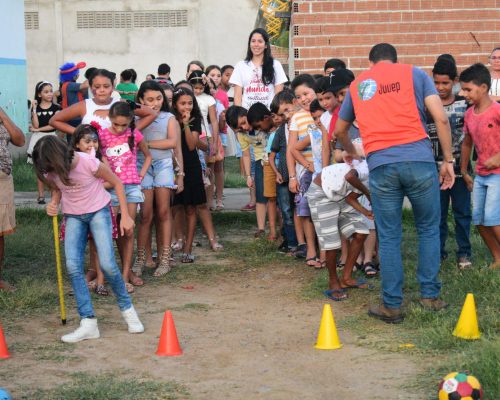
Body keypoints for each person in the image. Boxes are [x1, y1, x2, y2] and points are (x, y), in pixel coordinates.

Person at [335, 43, 455, 323]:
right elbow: (440, 118)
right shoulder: (414, 74)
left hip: (381, 165)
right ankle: (430, 297)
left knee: (389, 236)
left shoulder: (359, 85)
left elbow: (340, 130)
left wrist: (350, 151)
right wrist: (447, 160)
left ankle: (392, 305)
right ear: (394, 60)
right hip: (420, 161)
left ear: (371, 63)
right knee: (427, 229)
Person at [32, 136, 144, 342]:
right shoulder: (50, 170)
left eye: (51, 168)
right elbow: (57, 188)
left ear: (59, 158)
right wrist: (54, 203)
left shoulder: (88, 162)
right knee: (73, 266)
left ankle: (128, 311)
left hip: (98, 211)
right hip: (73, 215)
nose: (50, 173)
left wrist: (126, 216)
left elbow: (117, 182)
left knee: (108, 265)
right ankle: (88, 322)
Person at [96, 102, 153, 293]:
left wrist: (141, 175)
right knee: (108, 232)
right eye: (116, 125)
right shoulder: (102, 135)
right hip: (110, 188)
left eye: (124, 125)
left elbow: (147, 156)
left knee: (128, 232)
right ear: (109, 119)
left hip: (131, 189)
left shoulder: (134, 134)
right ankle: (103, 276)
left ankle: (124, 276)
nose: (120, 129)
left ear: (130, 121)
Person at [426, 58, 472, 269]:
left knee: (462, 212)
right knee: (438, 214)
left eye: (445, 83)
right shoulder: (427, 105)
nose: (440, 88)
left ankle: (464, 252)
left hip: (460, 169)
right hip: (435, 170)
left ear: (454, 81)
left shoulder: (465, 103)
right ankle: (438, 251)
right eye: (436, 82)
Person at [307, 151, 372, 301]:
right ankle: (333, 282)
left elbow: (351, 198)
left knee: (361, 232)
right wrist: (368, 194)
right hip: (321, 193)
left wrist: (365, 212)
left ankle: (347, 278)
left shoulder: (381, 176)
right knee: (332, 243)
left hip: (341, 196)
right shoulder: (367, 167)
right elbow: (349, 177)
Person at [132, 81, 182, 277]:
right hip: (141, 166)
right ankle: (141, 259)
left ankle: (165, 259)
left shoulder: (169, 118)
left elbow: (172, 142)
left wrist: (145, 143)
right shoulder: (136, 118)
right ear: (141, 101)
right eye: (150, 100)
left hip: (163, 166)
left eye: (159, 98)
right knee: (145, 215)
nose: (155, 103)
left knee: (163, 212)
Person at [172, 88, 223, 263]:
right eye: (182, 103)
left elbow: (192, 145)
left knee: (194, 206)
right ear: (175, 104)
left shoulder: (194, 120)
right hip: (173, 165)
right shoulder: (170, 119)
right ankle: (178, 240)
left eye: (190, 103)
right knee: (177, 205)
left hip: (191, 164)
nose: (186, 106)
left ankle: (189, 247)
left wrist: (186, 124)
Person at [459, 63, 500, 270]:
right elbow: (467, 142)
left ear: (483, 88)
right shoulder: (469, 115)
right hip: (481, 175)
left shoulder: (497, 110)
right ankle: (497, 258)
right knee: (479, 221)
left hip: (498, 174)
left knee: (493, 218)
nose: (463, 93)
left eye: (468, 89)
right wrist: (464, 171)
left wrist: (498, 157)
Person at [66, 124, 115, 296]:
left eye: (95, 141)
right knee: (81, 247)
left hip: (98, 208)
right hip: (78, 210)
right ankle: (84, 280)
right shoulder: (71, 163)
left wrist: (95, 185)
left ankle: (101, 281)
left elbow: (112, 181)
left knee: (98, 246)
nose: (91, 145)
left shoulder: (101, 161)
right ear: (77, 144)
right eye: (87, 142)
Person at [287, 74, 322, 266]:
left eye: (306, 93)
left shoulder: (324, 113)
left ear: (315, 91)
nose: (304, 99)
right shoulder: (297, 118)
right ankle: (311, 248)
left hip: (325, 170)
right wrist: (292, 176)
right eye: (299, 97)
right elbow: (291, 151)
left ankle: (326, 249)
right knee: (306, 212)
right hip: (305, 172)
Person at [269, 90, 300, 254]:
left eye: (287, 110)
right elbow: (272, 155)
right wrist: (278, 173)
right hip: (285, 178)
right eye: (283, 113)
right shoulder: (281, 131)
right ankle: (292, 242)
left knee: (301, 211)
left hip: (300, 174)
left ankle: (303, 243)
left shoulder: (302, 124)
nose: (286, 115)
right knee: (287, 211)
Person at [0, 107, 25, 291]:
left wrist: (2, 114)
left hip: (2, 179)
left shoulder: (2, 120)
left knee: (0, 231)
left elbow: (20, 140)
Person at [188, 70, 221, 210]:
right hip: (190, 134)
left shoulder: (209, 99)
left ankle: (208, 202)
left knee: (209, 170)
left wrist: (213, 141)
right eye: (195, 88)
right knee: (194, 169)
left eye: (201, 88)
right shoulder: (187, 97)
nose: (198, 91)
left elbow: (213, 121)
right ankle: (194, 203)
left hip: (205, 135)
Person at [247, 102, 278, 240]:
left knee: (276, 196)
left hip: (277, 162)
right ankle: (261, 227)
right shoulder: (259, 130)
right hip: (261, 161)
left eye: (259, 126)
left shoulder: (278, 127)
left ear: (267, 118)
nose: (258, 129)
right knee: (261, 195)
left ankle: (278, 226)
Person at [28, 81, 61, 204]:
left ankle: (54, 193)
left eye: (51, 91)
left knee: (53, 168)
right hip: (37, 139)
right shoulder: (35, 108)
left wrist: (37, 129)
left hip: (51, 139)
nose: (50, 94)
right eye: (46, 92)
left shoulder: (57, 108)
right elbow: (35, 124)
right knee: (40, 169)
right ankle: (41, 195)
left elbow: (52, 124)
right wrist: (34, 108)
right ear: (39, 94)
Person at [57, 62, 89, 130]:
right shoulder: (69, 85)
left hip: (72, 116)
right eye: (77, 73)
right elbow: (85, 85)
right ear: (74, 75)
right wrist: (91, 76)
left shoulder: (66, 85)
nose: (78, 74)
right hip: (75, 117)